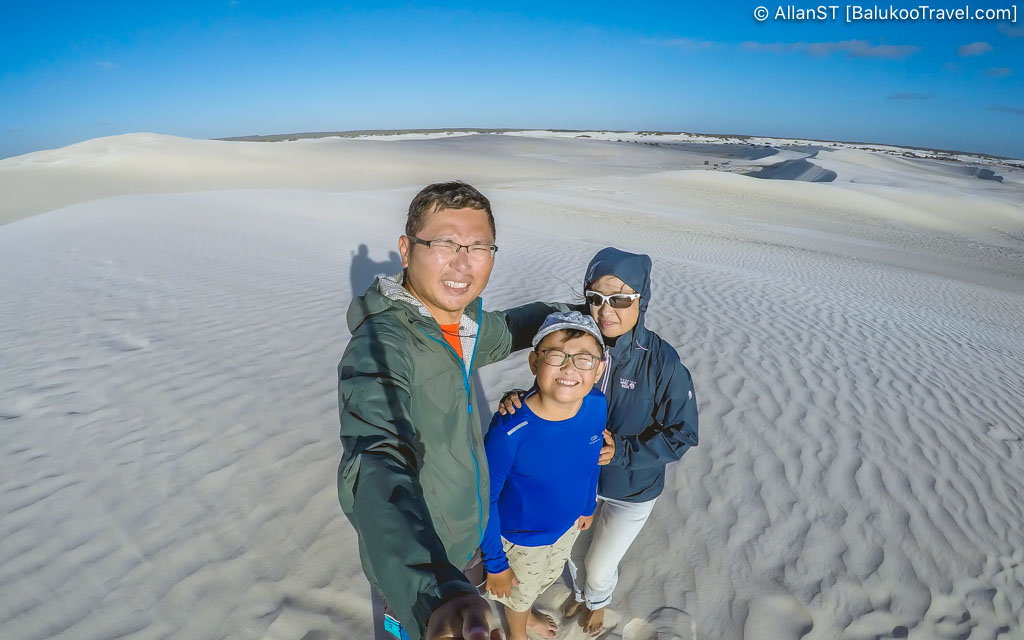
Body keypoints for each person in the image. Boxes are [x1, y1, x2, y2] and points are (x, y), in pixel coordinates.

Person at [337, 181, 510, 640]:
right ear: (405, 249)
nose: (462, 262)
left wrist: (581, 317)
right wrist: (437, 594)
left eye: (478, 246)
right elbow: (375, 461)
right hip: (421, 570)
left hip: (469, 543)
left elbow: (511, 328)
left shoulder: (463, 326)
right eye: (444, 243)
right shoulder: (381, 347)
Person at [499, 247, 699, 635]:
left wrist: (623, 451)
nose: (606, 311)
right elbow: (553, 387)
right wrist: (517, 400)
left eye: (621, 299)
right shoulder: (577, 341)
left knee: (600, 565)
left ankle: (598, 603)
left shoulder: (662, 362)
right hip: (576, 482)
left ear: (643, 299)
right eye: (596, 298)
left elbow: (683, 432)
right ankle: (581, 594)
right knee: (574, 555)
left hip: (632, 488)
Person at [481, 312, 609, 640]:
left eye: (584, 359)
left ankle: (526, 615)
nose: (569, 368)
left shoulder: (596, 404)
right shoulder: (510, 430)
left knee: (542, 579)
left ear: (599, 369)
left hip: (566, 528)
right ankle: (517, 632)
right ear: (534, 362)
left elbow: (591, 459)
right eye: (556, 355)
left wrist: (587, 504)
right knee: (519, 592)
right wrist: (495, 563)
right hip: (520, 539)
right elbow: (483, 499)